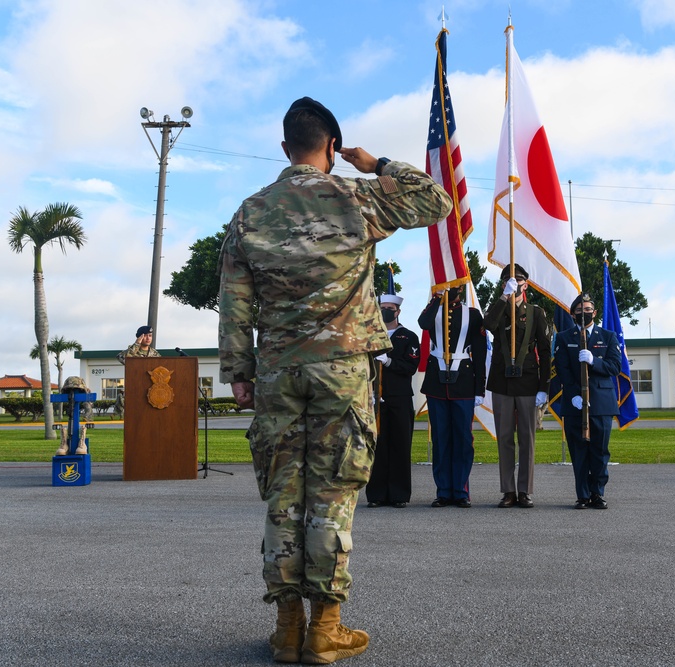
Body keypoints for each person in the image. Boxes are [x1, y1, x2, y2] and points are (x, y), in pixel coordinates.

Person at [217, 96, 452, 665]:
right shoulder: (355, 196)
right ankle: (326, 627)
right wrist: (375, 164)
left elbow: (234, 301)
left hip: (276, 372)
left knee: (282, 496)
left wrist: (239, 373)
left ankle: (286, 628)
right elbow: (437, 201)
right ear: (330, 147)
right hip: (342, 373)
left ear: (283, 147)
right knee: (331, 496)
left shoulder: (251, 212)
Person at [483, 263, 551, 508]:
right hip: (502, 382)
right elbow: (488, 325)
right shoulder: (499, 309)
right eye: (509, 281)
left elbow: (545, 352)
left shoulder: (536, 313)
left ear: (527, 284)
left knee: (527, 438)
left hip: (527, 382)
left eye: (519, 280)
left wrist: (545, 387)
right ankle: (508, 491)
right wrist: (503, 297)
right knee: (504, 438)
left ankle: (525, 490)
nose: (515, 284)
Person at [418, 285, 487, 509]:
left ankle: (460, 491)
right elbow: (424, 324)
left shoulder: (473, 314)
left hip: (464, 383)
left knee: (463, 440)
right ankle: (443, 491)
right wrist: (437, 298)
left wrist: (479, 389)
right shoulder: (434, 310)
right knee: (441, 440)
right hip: (437, 383)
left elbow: (479, 352)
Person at [552, 292, 621, 510]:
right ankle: (582, 495)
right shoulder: (564, 337)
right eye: (580, 310)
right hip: (575, 403)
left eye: (588, 310)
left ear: (595, 312)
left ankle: (597, 493)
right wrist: (573, 395)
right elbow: (562, 369)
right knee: (578, 450)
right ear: (573, 313)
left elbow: (614, 367)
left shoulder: (608, 336)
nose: (584, 313)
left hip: (601, 403)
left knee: (600, 451)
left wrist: (594, 362)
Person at [366, 293, 421, 509]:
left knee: (400, 445)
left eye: (390, 308)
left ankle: (399, 494)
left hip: (399, 397)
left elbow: (410, 367)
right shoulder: (370, 335)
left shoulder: (408, 337)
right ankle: (376, 494)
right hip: (373, 398)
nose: (386, 311)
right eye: (382, 307)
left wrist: (389, 362)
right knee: (376, 447)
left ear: (398, 311)